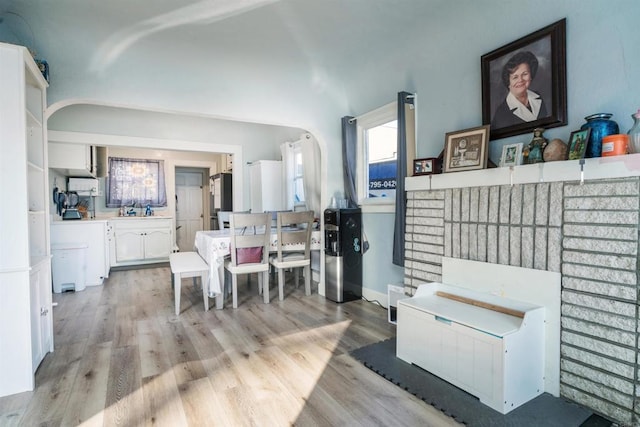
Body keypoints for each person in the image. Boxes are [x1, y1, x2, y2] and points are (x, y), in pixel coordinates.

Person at [491, 51, 548, 129]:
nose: (520, 80)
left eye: (525, 74)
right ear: (508, 82)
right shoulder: (501, 113)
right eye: (515, 77)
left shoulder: (539, 97)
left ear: (531, 76)